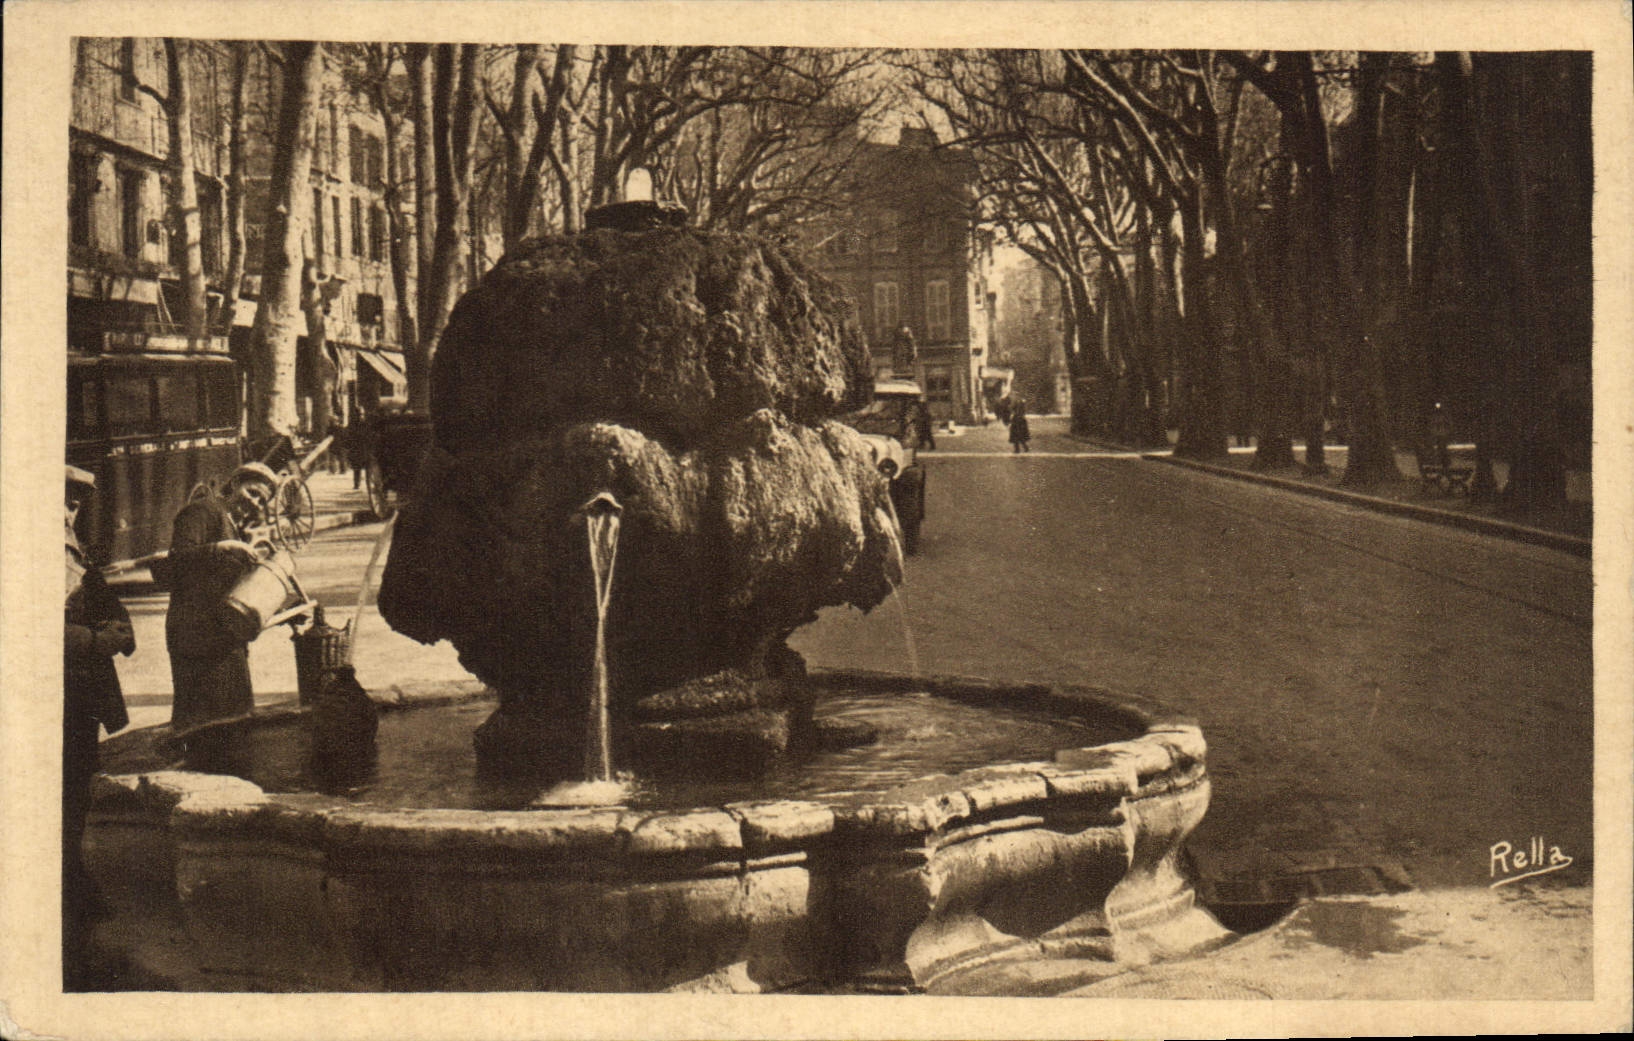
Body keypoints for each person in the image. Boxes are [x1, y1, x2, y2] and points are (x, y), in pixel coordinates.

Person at [63, 465, 133, 984]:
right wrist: (98, 640)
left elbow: (92, 593)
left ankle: (75, 884)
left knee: (79, 783)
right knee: (67, 786)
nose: (72, 510)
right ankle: (71, 893)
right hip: (61, 687)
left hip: (77, 687)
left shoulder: (68, 542)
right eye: (65, 501)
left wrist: (118, 623)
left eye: (77, 503)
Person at [157, 463, 276, 731]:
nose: (256, 504)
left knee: (232, 722)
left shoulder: (232, 522)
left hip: (222, 637)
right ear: (234, 484)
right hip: (196, 638)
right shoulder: (203, 511)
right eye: (253, 493)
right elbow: (177, 560)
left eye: (262, 501)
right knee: (204, 727)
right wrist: (223, 547)